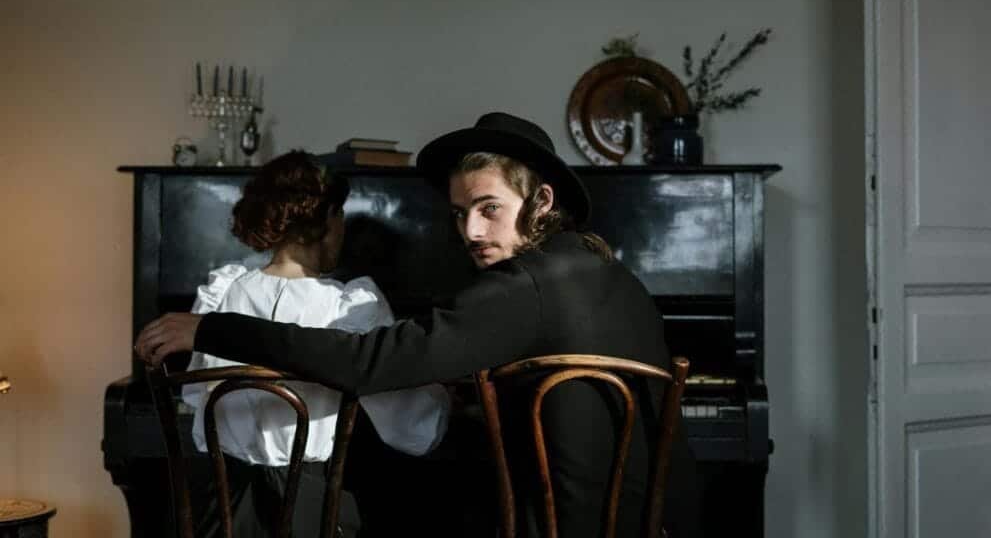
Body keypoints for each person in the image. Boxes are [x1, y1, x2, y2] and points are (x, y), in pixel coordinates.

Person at [136, 113, 700, 537]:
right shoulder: (604, 268)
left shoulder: (523, 283)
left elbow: (369, 361)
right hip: (654, 516)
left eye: (489, 208)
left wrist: (210, 329)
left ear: (542, 200)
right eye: (459, 214)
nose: (472, 232)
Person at [180, 150, 449, 537]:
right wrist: (445, 401)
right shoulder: (349, 306)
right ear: (327, 219)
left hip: (221, 506)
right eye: (339, 216)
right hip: (310, 511)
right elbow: (407, 421)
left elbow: (194, 399)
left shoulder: (222, 293)